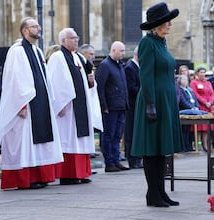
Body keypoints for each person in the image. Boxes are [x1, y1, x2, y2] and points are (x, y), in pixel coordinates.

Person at [0, 17, 63, 190]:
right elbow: (15, 78)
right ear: (24, 31)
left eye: (38, 26)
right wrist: (20, 103)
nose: (38, 28)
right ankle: (26, 178)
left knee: (38, 142)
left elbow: (44, 78)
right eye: (34, 26)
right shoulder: (17, 51)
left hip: (40, 103)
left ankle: (40, 175)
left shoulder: (36, 50)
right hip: (26, 104)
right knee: (25, 141)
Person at [131, 2, 183, 207]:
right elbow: (145, 76)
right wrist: (150, 104)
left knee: (161, 149)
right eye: (166, 21)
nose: (170, 24)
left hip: (166, 101)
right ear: (157, 25)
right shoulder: (148, 43)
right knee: (151, 149)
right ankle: (152, 194)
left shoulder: (162, 43)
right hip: (153, 102)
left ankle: (161, 192)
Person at [46, 27, 102, 185]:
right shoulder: (58, 57)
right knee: (68, 139)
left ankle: (81, 173)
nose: (76, 40)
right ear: (63, 41)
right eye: (72, 38)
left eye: (77, 37)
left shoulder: (78, 57)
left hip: (80, 106)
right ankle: (68, 175)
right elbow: (54, 81)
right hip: (68, 107)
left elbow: (85, 80)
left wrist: (91, 82)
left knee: (80, 139)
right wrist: (59, 103)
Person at [95, 41, 129, 172]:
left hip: (120, 106)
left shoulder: (119, 65)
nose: (123, 54)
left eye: (124, 51)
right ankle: (109, 162)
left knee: (117, 135)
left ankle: (116, 160)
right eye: (121, 51)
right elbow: (100, 87)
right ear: (113, 50)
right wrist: (104, 105)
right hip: (110, 107)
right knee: (108, 135)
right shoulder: (105, 65)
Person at [124, 46, 143, 169]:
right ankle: (132, 159)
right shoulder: (130, 68)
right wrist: (144, 93)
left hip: (138, 105)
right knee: (131, 132)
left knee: (137, 132)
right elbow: (132, 88)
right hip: (132, 106)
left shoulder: (138, 67)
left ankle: (137, 158)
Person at [190, 65, 214, 151]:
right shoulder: (194, 83)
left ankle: (205, 144)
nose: (203, 74)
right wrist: (204, 102)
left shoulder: (208, 83)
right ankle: (198, 144)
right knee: (199, 127)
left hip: (208, 108)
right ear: (197, 73)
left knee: (206, 128)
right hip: (200, 107)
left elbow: (212, 93)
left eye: (204, 72)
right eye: (201, 72)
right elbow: (196, 94)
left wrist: (210, 102)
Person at [178, 74, 200, 152]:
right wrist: (191, 107)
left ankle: (189, 146)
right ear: (180, 81)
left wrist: (197, 106)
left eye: (186, 79)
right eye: (183, 80)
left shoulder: (189, 90)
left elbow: (195, 99)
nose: (185, 81)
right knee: (183, 130)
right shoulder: (179, 90)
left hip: (192, 111)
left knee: (188, 130)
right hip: (184, 111)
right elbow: (183, 101)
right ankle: (183, 146)